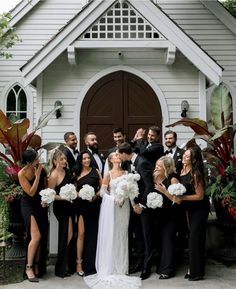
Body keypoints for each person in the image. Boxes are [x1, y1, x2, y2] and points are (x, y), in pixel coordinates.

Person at [84, 152, 141, 289]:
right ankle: (111, 266)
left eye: (118, 154)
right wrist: (114, 199)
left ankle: (121, 268)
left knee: (122, 235)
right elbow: (103, 192)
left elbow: (131, 191)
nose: (118, 156)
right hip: (112, 207)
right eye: (115, 155)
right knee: (112, 235)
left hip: (124, 207)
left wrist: (133, 204)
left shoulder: (127, 173)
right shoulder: (108, 174)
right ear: (110, 160)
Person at [118, 142, 162, 280]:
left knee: (147, 236)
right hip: (134, 206)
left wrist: (141, 205)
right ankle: (139, 263)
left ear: (125, 153)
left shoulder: (142, 163)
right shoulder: (130, 163)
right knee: (138, 237)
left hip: (144, 207)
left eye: (119, 154)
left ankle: (146, 268)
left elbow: (149, 186)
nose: (119, 157)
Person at [174, 147, 210, 281]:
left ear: (194, 159)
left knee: (195, 238)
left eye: (187, 156)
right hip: (189, 208)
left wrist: (182, 198)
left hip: (199, 208)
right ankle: (194, 267)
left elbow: (200, 196)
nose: (184, 157)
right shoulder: (181, 170)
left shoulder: (196, 173)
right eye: (184, 155)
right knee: (192, 238)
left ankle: (196, 272)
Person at [18, 149, 48, 282]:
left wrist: (45, 200)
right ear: (29, 162)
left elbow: (46, 188)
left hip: (40, 205)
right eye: (36, 158)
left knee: (41, 237)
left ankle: (37, 265)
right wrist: (36, 176)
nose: (38, 160)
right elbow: (30, 192)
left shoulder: (42, 168)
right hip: (28, 205)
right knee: (36, 236)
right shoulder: (22, 173)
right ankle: (28, 267)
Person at [73, 150, 102, 276]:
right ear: (80, 160)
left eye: (88, 158)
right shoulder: (76, 173)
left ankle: (92, 263)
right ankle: (79, 262)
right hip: (81, 207)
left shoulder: (96, 171)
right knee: (81, 233)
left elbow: (102, 187)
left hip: (94, 206)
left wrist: (95, 195)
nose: (87, 160)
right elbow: (73, 190)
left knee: (93, 235)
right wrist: (80, 194)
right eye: (84, 158)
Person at [47, 149, 75, 278]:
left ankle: (67, 265)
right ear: (55, 161)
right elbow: (51, 195)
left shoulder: (67, 171)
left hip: (69, 206)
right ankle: (61, 268)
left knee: (68, 235)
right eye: (62, 159)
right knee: (66, 235)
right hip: (61, 207)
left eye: (65, 159)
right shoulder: (53, 175)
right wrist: (64, 197)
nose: (65, 161)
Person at [154, 156, 180, 279]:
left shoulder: (173, 179)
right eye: (157, 165)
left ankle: (168, 270)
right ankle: (161, 266)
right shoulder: (155, 176)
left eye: (160, 166)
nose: (157, 167)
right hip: (159, 215)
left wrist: (164, 191)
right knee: (160, 241)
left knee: (168, 241)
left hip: (171, 215)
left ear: (167, 167)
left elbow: (177, 200)